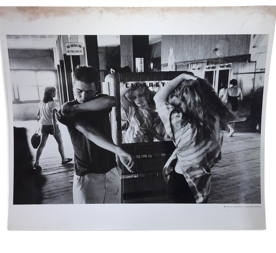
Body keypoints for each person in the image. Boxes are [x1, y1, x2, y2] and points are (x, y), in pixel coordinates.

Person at [56, 66, 134, 204]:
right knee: (88, 222)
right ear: (73, 86)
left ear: (97, 90)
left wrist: (77, 108)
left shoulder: (85, 105)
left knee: (113, 219)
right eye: (79, 91)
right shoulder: (65, 111)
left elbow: (111, 101)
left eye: (89, 92)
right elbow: (89, 132)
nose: (84, 96)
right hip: (87, 174)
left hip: (111, 170)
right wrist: (118, 150)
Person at [154, 73, 235, 203]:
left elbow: (158, 98)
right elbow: (215, 157)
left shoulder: (183, 127)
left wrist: (181, 77)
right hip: (202, 184)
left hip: (180, 182)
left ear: (185, 102)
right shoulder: (215, 124)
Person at [34, 87, 72, 170]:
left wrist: (37, 128)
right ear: (51, 93)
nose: (56, 93)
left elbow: (38, 115)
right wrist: (55, 129)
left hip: (44, 126)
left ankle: (36, 163)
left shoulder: (41, 103)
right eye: (55, 92)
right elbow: (55, 118)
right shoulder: (53, 104)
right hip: (52, 126)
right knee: (60, 142)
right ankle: (64, 159)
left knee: (42, 144)